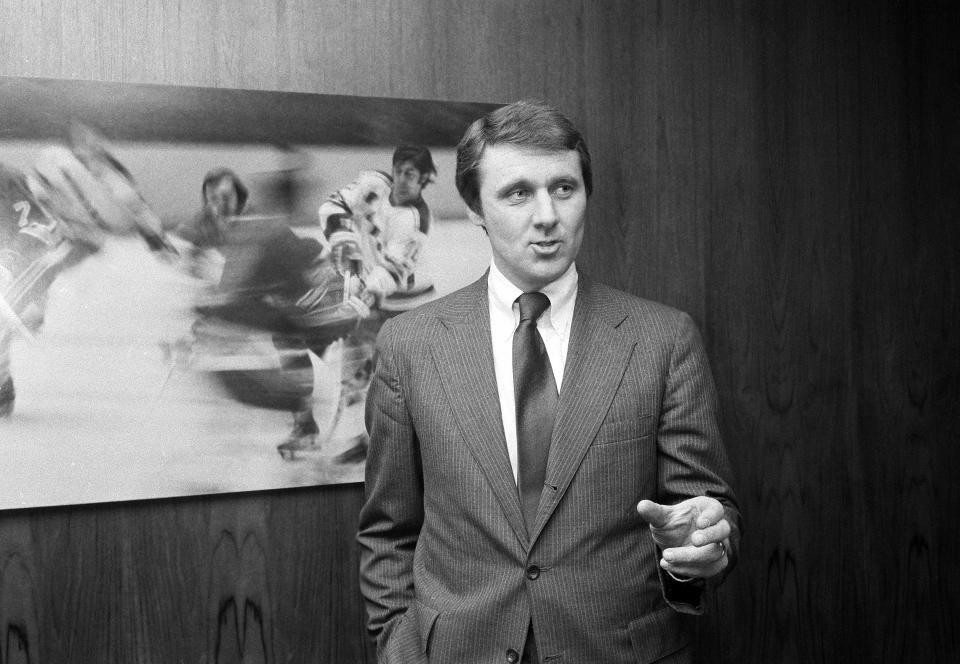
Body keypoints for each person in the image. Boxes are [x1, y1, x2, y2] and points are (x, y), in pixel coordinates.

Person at [357, 101, 742, 663]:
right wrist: (398, 647)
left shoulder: (663, 339)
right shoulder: (410, 347)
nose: (547, 215)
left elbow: (706, 512)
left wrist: (706, 546)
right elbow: (387, 532)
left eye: (564, 188)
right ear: (476, 210)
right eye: (517, 193)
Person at [278, 145, 437, 457]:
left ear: (424, 180)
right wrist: (343, 239)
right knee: (337, 370)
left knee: (377, 383)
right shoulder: (374, 185)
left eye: (412, 175)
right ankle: (312, 431)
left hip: (403, 310)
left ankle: (372, 443)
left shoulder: (415, 220)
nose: (403, 180)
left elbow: (390, 273)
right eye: (399, 171)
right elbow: (332, 206)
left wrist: (358, 301)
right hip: (365, 299)